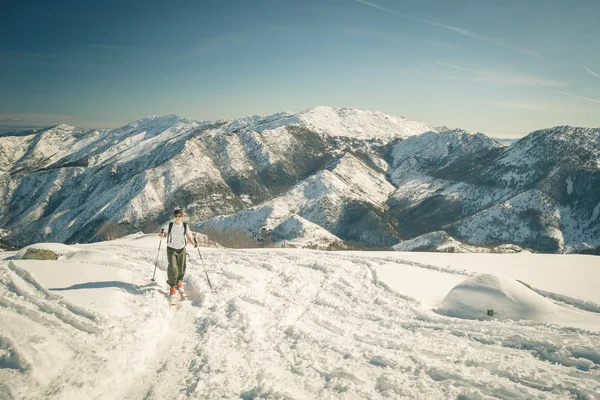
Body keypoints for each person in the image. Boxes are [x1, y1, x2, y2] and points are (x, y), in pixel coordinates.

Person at [159, 208, 197, 295]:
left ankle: (179, 280)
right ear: (174, 217)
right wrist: (161, 235)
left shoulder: (185, 226)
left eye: (179, 216)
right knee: (173, 267)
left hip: (182, 248)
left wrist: (193, 243)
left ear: (182, 217)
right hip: (171, 249)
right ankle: (172, 285)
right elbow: (164, 234)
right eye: (176, 216)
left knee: (181, 266)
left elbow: (188, 236)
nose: (178, 217)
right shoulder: (170, 225)